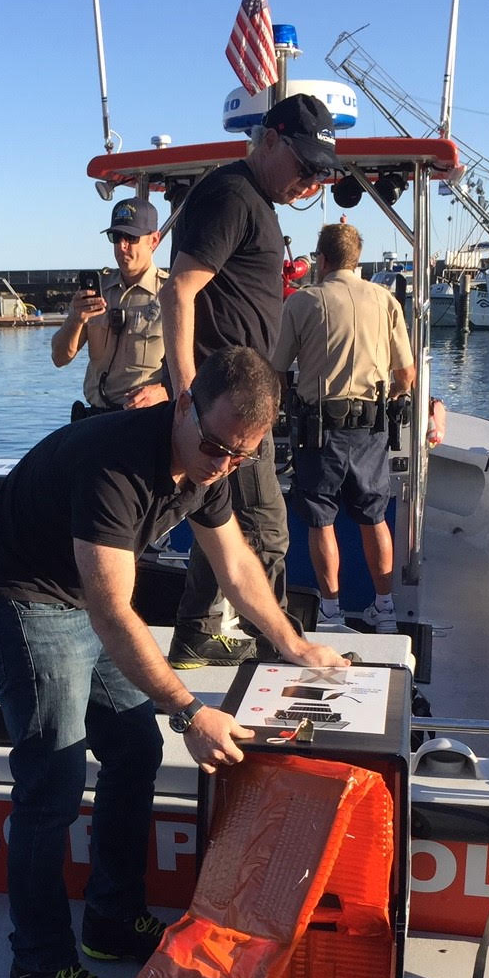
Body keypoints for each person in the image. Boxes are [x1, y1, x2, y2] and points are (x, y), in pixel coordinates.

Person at [0, 346, 349, 978]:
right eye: (212, 446)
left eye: (240, 456)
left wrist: (293, 644)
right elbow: (114, 612)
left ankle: (110, 920)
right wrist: (191, 709)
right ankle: (38, 969)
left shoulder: (215, 460)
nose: (220, 465)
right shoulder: (116, 466)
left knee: (135, 751)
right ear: (182, 404)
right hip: (24, 593)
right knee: (51, 784)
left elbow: (234, 562)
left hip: (85, 598)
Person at [160, 93, 338, 670]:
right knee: (264, 530)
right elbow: (179, 290)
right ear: (269, 139)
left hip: (236, 399)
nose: (310, 183)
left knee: (224, 517)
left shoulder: (250, 197)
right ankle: (279, 651)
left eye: (319, 174)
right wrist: (188, 393)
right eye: (304, 166)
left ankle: (197, 633)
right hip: (225, 403)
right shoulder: (234, 195)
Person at [271, 221, 417, 633]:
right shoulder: (385, 300)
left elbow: (278, 369)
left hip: (320, 429)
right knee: (373, 516)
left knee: (321, 518)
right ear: (356, 259)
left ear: (321, 259)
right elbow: (405, 374)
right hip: (371, 427)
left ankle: (331, 614)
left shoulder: (302, 303)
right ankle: (384, 607)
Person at [51, 197, 169, 416]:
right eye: (115, 237)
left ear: (154, 240)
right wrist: (75, 319)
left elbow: (201, 364)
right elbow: (59, 358)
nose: (122, 246)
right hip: (96, 420)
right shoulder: (98, 290)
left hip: (144, 421)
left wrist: (164, 392)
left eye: (131, 237)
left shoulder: (171, 295)